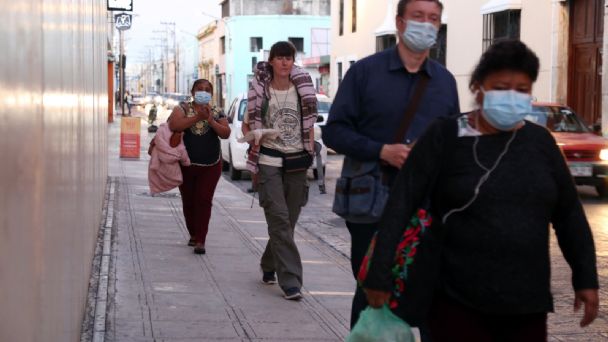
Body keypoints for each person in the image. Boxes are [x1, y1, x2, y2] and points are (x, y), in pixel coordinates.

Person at [363, 40, 600, 341]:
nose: (512, 96)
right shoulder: (444, 136)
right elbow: (402, 203)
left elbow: (569, 215)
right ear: (478, 88)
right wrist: (379, 273)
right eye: (501, 87)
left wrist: (586, 277)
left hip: (526, 302)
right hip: (455, 300)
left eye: (522, 89)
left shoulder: (541, 143)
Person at [322, 0, 459, 328]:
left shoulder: (444, 81)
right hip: (372, 203)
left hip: (427, 208)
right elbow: (334, 132)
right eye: (417, 17)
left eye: (433, 18)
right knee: (372, 289)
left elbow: (454, 141)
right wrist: (382, 150)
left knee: (432, 292)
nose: (425, 24)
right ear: (399, 23)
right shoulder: (365, 72)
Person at [243, 41, 318, 300]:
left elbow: (309, 126)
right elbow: (246, 127)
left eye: (289, 58)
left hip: (297, 161)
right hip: (269, 162)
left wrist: (311, 150)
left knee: (288, 223)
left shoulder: (303, 89)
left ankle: (268, 264)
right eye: (280, 58)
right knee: (279, 219)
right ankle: (291, 282)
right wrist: (256, 135)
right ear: (271, 61)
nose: (285, 62)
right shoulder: (260, 90)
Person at [168, 79, 231, 254]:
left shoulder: (217, 111)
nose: (203, 92)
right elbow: (174, 125)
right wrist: (197, 117)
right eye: (199, 89)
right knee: (188, 201)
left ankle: (201, 240)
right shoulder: (182, 108)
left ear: (211, 94)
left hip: (211, 165)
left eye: (207, 90)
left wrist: (210, 120)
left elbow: (226, 133)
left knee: (203, 200)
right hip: (186, 164)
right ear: (193, 91)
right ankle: (193, 234)